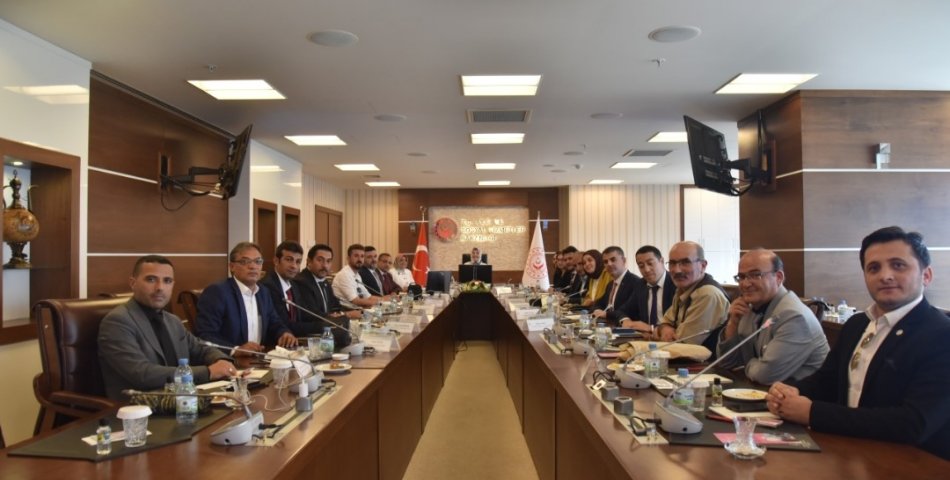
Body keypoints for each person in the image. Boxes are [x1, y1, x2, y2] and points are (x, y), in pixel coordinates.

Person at [767, 227, 950, 459]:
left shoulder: (941, 335)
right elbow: (827, 381)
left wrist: (813, 413)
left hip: (912, 463)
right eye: (874, 268)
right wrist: (789, 392)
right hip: (850, 453)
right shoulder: (857, 324)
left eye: (898, 265)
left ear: (926, 275)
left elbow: (914, 423)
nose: (885, 276)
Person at [98, 255, 236, 400]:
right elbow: (142, 374)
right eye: (151, 279)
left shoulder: (172, 320)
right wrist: (208, 372)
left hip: (181, 401)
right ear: (133, 283)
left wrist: (221, 360)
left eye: (167, 281)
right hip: (139, 406)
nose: (160, 288)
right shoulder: (117, 322)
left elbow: (201, 348)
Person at [716, 249, 829, 385]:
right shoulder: (749, 308)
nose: (745, 284)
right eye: (742, 277)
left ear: (778, 277)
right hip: (763, 391)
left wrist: (747, 364)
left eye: (755, 275)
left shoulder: (794, 316)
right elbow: (726, 363)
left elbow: (766, 375)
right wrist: (733, 323)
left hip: (801, 395)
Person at [196, 242, 297, 354]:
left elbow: (274, 322)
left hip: (259, 357)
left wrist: (284, 333)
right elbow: (205, 335)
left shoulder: (263, 292)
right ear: (232, 267)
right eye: (245, 262)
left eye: (258, 261)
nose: (253, 266)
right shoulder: (217, 292)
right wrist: (235, 350)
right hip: (230, 360)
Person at [656, 241, 729, 347]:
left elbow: (682, 344)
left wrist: (662, 331)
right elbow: (664, 322)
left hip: (704, 358)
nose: (677, 270)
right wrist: (665, 328)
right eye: (672, 263)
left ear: (703, 265)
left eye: (685, 262)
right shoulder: (683, 289)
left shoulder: (707, 294)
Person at [293, 244, 360, 348]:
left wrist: (351, 311)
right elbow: (312, 315)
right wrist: (346, 315)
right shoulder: (302, 282)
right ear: (309, 262)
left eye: (328, 261)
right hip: (313, 337)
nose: (325, 265)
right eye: (320, 260)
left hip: (328, 333)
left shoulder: (324, 281)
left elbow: (335, 305)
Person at [617, 245, 676, 333]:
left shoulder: (675, 283)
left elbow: (679, 324)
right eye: (641, 266)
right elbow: (622, 311)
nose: (646, 270)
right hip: (645, 337)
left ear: (662, 261)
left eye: (650, 263)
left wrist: (651, 328)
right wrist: (625, 320)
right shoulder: (641, 285)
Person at [591, 246, 642, 325]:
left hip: (625, 328)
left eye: (613, 260)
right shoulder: (610, 284)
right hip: (609, 325)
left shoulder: (636, 282)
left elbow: (629, 311)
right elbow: (598, 303)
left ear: (624, 260)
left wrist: (606, 314)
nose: (609, 264)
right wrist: (597, 310)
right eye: (605, 262)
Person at [259, 241, 305, 326]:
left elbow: (302, 317)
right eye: (289, 260)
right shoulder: (267, 286)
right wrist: (321, 326)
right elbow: (284, 324)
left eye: (298, 261)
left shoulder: (295, 285)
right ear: (276, 261)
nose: (294, 266)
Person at [332, 243, 384, 308]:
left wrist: (385, 300)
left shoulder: (357, 275)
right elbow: (355, 301)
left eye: (362, 256)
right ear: (348, 258)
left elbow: (368, 297)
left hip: (357, 309)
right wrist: (380, 303)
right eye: (356, 256)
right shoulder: (344, 275)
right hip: (346, 310)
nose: (359, 259)